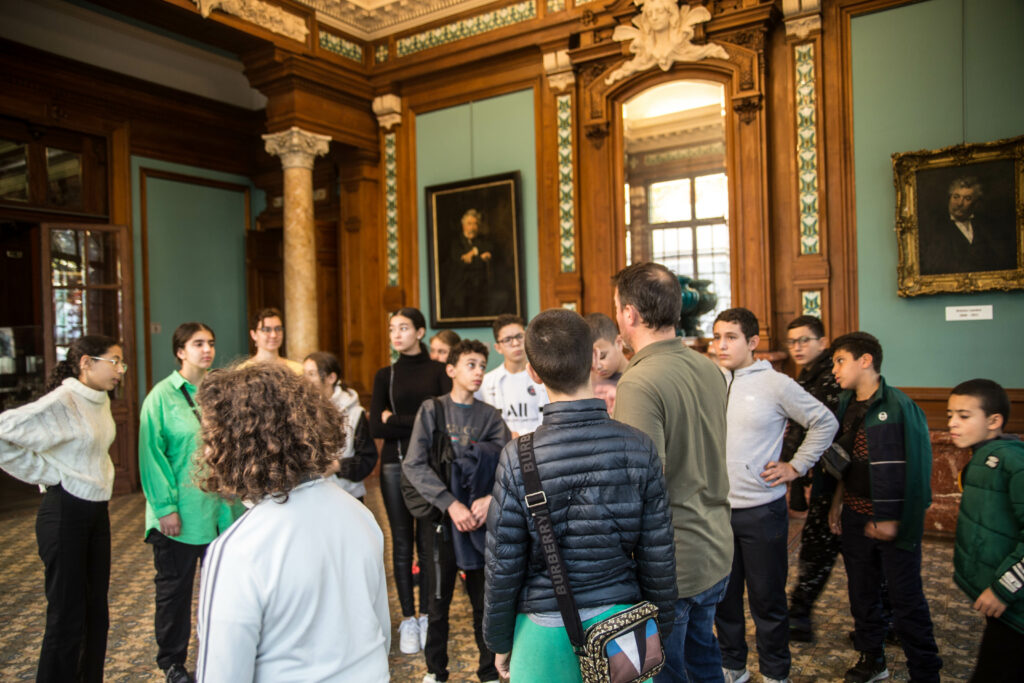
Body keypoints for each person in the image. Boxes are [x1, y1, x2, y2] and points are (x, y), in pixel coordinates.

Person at [483, 308, 677, 683]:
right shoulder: (639, 447)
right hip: (623, 626)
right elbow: (658, 553)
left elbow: (503, 564)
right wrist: (659, 627)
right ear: (593, 357)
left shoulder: (517, 457)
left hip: (541, 629)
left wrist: (499, 641)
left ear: (534, 373)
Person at [194, 363, 390, 682]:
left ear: (240, 443)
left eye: (212, 436)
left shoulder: (238, 549)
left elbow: (221, 674)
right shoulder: (359, 514)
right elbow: (379, 630)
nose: (206, 449)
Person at [610, 262, 733, 683]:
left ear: (629, 313)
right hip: (715, 547)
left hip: (672, 566)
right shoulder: (710, 367)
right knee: (705, 663)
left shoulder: (639, 381)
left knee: (667, 674)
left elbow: (641, 488)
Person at [710, 308, 837, 683]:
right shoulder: (710, 380)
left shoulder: (775, 383)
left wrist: (795, 467)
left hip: (761, 512)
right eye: (717, 336)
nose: (721, 345)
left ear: (752, 342)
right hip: (716, 512)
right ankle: (733, 666)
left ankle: (776, 672)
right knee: (724, 599)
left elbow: (824, 422)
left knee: (768, 601)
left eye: (730, 337)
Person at [0, 334, 124, 683]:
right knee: (66, 617)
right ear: (87, 363)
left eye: (121, 363)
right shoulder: (64, 399)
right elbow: (3, 431)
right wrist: (46, 474)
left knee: (95, 612)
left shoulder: (99, 400)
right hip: (64, 512)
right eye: (114, 361)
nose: (120, 370)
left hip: (96, 510)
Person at [827, 332, 941, 683]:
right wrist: (837, 504)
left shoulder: (901, 407)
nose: (834, 369)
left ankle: (925, 670)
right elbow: (845, 458)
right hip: (856, 516)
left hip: (893, 522)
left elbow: (918, 470)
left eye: (840, 360)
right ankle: (872, 659)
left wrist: (894, 520)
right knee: (861, 593)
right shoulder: (846, 404)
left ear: (866, 361)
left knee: (906, 600)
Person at [139, 323, 242, 683]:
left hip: (225, 511)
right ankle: (172, 663)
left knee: (228, 591)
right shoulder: (161, 397)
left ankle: (225, 656)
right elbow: (151, 456)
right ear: (180, 351)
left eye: (211, 343)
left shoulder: (224, 392)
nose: (207, 350)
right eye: (198, 344)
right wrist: (165, 508)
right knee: (175, 594)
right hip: (180, 515)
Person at [402, 339, 510, 683]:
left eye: (482, 365)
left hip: (480, 523)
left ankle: (488, 670)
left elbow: (509, 466)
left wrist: (491, 498)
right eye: (471, 365)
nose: (478, 372)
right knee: (438, 600)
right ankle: (436, 670)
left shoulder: (490, 416)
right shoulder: (432, 410)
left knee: (484, 602)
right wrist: (451, 504)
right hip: (442, 522)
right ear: (451, 370)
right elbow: (414, 464)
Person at [370, 307, 452, 654]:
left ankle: (430, 616)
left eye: (403, 328)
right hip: (394, 464)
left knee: (429, 545)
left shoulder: (438, 372)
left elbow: (442, 421)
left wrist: (398, 419)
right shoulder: (384, 375)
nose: (396, 335)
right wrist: (417, 418)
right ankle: (408, 619)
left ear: (420, 332)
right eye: (392, 329)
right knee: (402, 543)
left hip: (430, 466)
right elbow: (377, 426)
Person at [948, 379, 1024, 683]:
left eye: (964, 416)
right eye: (950, 414)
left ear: (994, 421)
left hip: (1014, 600)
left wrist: (1004, 588)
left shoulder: (1011, 460)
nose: (952, 423)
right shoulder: (984, 457)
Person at [781, 315, 843, 642]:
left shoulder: (831, 376)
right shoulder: (809, 375)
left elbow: (821, 428)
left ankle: (799, 616)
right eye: (792, 342)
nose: (797, 348)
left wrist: (794, 467)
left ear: (822, 341)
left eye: (804, 340)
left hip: (836, 478)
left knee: (819, 549)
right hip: (819, 475)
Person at [303, 351, 378, 502]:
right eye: (304, 374)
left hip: (348, 495)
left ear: (331, 378)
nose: (305, 380)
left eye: (311, 374)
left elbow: (367, 459)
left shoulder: (354, 413)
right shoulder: (301, 411)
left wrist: (337, 466)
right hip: (310, 496)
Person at [918, 176, 1017, 276]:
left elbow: (1000, 260)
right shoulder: (935, 227)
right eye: (956, 197)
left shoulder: (985, 226)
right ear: (949, 198)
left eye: (967, 199)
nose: (960, 203)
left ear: (975, 203)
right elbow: (933, 265)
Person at [477, 314, 549, 437]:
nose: (515, 343)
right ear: (498, 347)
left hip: (540, 446)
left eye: (519, 336)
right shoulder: (486, 382)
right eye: (508, 339)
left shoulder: (546, 377)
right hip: (503, 449)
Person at [448, 210, 496, 318]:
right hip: (460, 293)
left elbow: (490, 250)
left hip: (479, 291)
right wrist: (479, 257)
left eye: (475, 224)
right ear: (463, 225)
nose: (473, 227)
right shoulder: (456, 242)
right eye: (470, 224)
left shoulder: (482, 242)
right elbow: (463, 262)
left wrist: (473, 252)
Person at [585, 312, 629, 414]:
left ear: (618, 343)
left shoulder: (634, 378)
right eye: (590, 359)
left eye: (602, 356)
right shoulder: (586, 378)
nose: (597, 366)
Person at [245, 307, 303, 374]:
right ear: (253, 335)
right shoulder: (243, 370)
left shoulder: (298, 369)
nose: (273, 335)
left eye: (278, 329)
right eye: (266, 330)